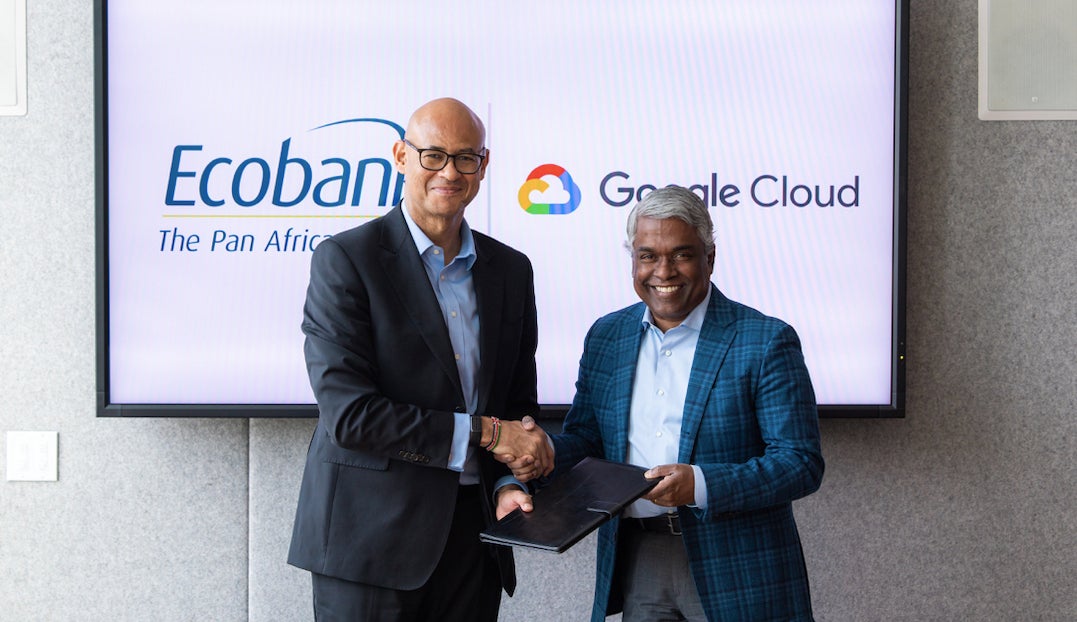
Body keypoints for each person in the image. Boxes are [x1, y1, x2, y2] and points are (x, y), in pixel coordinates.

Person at [288, 97, 553, 622]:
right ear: (401, 156)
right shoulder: (347, 260)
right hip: (371, 545)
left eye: (466, 158)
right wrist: (486, 434)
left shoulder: (510, 270)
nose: (450, 172)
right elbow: (351, 416)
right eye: (433, 155)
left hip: (475, 540)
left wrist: (510, 479)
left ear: (484, 165)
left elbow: (515, 403)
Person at [527, 185, 824, 621]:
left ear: (710, 258)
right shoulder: (607, 336)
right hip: (639, 554)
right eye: (647, 256)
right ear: (633, 260)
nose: (663, 271)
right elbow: (589, 440)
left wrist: (700, 485)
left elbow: (800, 463)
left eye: (681, 254)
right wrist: (545, 452)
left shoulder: (765, 340)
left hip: (737, 564)